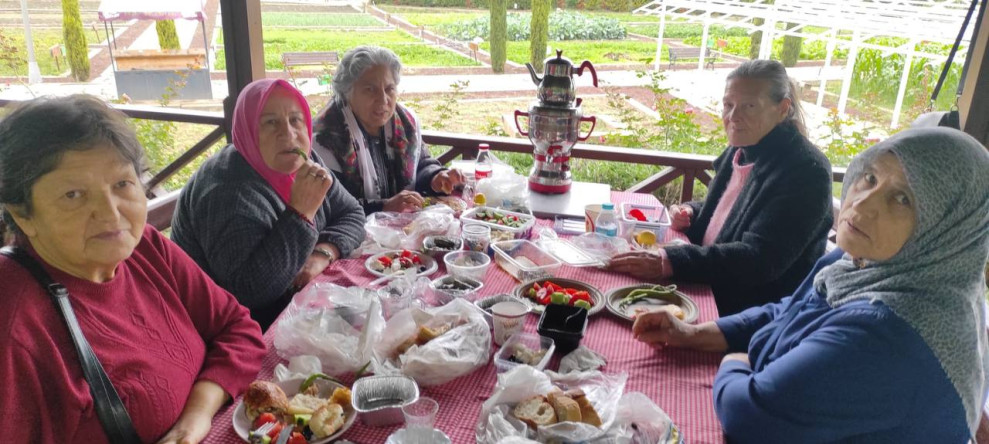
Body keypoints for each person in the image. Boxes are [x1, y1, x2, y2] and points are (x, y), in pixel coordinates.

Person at [631, 127, 989, 442]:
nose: (861, 205)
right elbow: (790, 309)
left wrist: (737, 359)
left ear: (949, 228)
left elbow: (750, 416)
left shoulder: (891, 334)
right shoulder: (864, 263)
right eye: (870, 178)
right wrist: (694, 334)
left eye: (902, 199)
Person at [0, 95, 267, 443]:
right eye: (73, 195)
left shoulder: (144, 249)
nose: (110, 214)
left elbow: (237, 328)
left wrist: (195, 417)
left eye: (122, 184)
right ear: (23, 215)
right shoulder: (14, 324)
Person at [608, 59, 833, 316]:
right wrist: (693, 212)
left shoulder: (806, 171)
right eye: (728, 105)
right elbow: (738, 208)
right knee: (611, 282)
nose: (733, 116)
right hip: (707, 282)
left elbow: (759, 259)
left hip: (746, 313)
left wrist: (671, 261)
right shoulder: (742, 148)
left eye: (749, 106)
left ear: (782, 109)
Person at [171, 79, 366, 329]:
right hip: (231, 331)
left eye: (296, 120)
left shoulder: (304, 161)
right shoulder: (227, 191)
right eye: (270, 122)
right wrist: (301, 214)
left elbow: (352, 213)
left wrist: (323, 253)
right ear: (248, 130)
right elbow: (251, 293)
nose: (288, 134)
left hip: (296, 307)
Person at [312, 45, 466, 214]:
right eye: (370, 90)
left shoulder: (406, 123)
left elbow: (420, 163)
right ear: (347, 92)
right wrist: (384, 206)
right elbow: (328, 204)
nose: (383, 100)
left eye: (389, 89)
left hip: (402, 227)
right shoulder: (326, 136)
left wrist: (435, 176)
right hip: (351, 234)